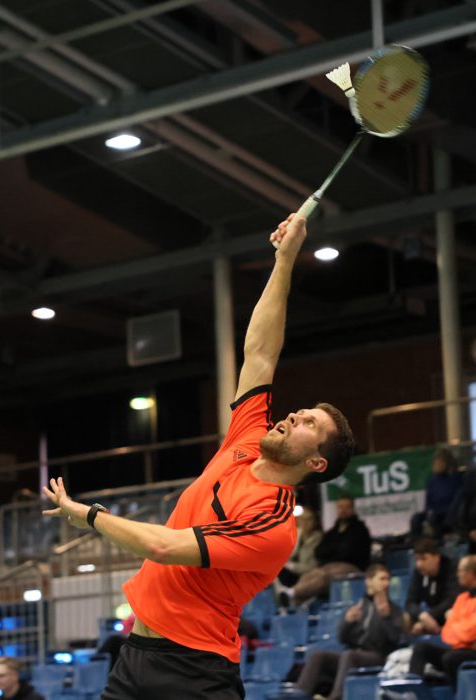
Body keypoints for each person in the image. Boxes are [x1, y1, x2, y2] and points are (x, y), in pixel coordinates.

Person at [41, 213, 355, 700]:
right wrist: (285, 258)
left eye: (311, 424)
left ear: (316, 463)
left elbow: (165, 547)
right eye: (301, 412)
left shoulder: (272, 523)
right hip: (135, 658)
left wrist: (91, 516)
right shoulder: (245, 441)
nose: (295, 415)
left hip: (193, 673)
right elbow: (260, 353)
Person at [296, 564, 403, 700]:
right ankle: (297, 696)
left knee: (348, 655)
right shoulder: (359, 606)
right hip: (353, 656)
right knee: (319, 656)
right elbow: (342, 638)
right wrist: (348, 622)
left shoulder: (394, 610)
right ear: (368, 581)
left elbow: (395, 639)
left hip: (378, 656)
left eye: (388, 579)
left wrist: (386, 617)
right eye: (382, 579)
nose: (386, 583)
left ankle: (336, 697)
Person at [409, 555, 476, 690]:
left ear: (471, 574)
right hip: (460, 651)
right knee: (421, 648)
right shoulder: (462, 598)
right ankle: (413, 694)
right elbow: (447, 635)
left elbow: (468, 633)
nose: (457, 574)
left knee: (451, 658)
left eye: (460, 571)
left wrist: (453, 621)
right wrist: (461, 630)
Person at [292, 496, 372, 605]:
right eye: (340, 507)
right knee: (308, 575)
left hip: (353, 568)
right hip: (328, 567)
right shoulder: (332, 532)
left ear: (353, 509)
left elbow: (347, 553)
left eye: (347, 507)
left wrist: (331, 552)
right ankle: (296, 607)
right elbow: (318, 551)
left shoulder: (360, 530)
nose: (343, 510)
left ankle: (294, 592)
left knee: (323, 576)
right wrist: (335, 550)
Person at [405, 538, 461, 636]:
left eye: (423, 559)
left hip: (448, 613)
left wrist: (429, 616)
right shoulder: (418, 572)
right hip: (429, 617)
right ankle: (409, 646)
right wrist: (421, 615)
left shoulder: (452, 567)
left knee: (450, 613)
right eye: (416, 559)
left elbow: (452, 600)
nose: (419, 564)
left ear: (437, 557)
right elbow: (409, 602)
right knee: (406, 618)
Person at [410, 449, 462, 539]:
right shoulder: (431, 481)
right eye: (435, 461)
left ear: (447, 463)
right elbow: (428, 503)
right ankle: (416, 543)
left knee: (434, 519)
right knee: (416, 519)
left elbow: (457, 500)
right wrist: (428, 512)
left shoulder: (455, 479)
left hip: (449, 511)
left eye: (440, 461)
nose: (437, 464)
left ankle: (437, 542)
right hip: (434, 511)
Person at [278, 505, 323, 586]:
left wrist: (288, 565)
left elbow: (310, 567)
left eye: (309, 519)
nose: (305, 523)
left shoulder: (318, 539)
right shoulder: (295, 534)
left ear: (315, 522)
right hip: (290, 570)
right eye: (302, 519)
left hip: (305, 574)